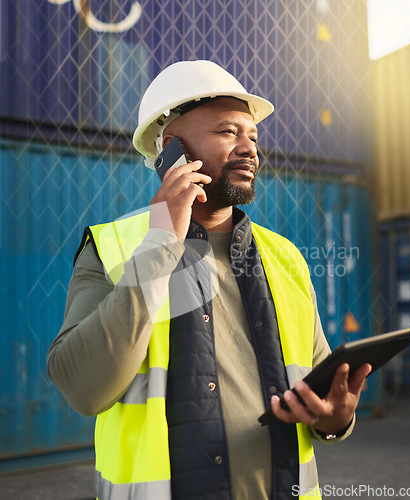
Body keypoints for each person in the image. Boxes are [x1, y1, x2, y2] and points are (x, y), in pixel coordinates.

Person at [47, 60, 371, 500]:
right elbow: (83, 387)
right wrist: (162, 239)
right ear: (170, 149)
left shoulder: (286, 257)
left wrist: (335, 420)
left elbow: (319, 391)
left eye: (252, 136)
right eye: (227, 132)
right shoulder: (112, 249)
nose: (249, 149)